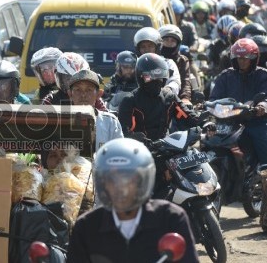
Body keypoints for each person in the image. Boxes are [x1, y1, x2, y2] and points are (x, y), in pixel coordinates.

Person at [66, 138, 199, 262]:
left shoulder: (170, 218)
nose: (120, 186)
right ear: (103, 183)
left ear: (141, 180)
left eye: (127, 178)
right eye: (112, 179)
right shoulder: (87, 226)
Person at [118, 53, 203, 198]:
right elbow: (122, 133)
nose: (156, 81)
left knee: (196, 167)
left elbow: (188, 116)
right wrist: (135, 137)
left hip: (168, 150)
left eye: (160, 77)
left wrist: (205, 122)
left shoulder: (169, 96)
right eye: (151, 77)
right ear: (140, 77)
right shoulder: (129, 101)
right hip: (140, 156)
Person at [210, 38, 267, 165]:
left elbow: (265, 97)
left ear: (253, 59)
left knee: (263, 145)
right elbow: (214, 99)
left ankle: (264, 175)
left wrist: (262, 106)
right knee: (207, 143)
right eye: (239, 58)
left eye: (245, 58)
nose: (241, 61)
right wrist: (208, 106)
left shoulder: (263, 75)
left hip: (255, 122)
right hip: (228, 123)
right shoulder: (226, 76)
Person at [68, 69, 123, 151]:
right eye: (78, 90)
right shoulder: (60, 120)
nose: (83, 95)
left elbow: (119, 154)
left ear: (98, 94)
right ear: (70, 94)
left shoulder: (110, 122)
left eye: (89, 90)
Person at [42, 52, 108, 111]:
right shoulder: (51, 99)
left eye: (78, 79)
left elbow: (105, 120)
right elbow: (40, 121)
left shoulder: (94, 99)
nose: (73, 82)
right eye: (68, 78)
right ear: (60, 78)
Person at [133, 27, 182, 97]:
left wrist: (168, 89)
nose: (147, 49)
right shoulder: (134, 63)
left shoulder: (168, 63)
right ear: (138, 49)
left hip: (161, 100)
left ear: (157, 47)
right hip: (137, 100)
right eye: (143, 47)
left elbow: (175, 81)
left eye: (150, 46)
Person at [158, 24, 192, 104]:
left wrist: (185, 98)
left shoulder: (182, 60)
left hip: (175, 101)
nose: (169, 43)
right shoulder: (153, 57)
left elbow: (185, 81)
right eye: (166, 40)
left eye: (173, 41)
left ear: (178, 44)